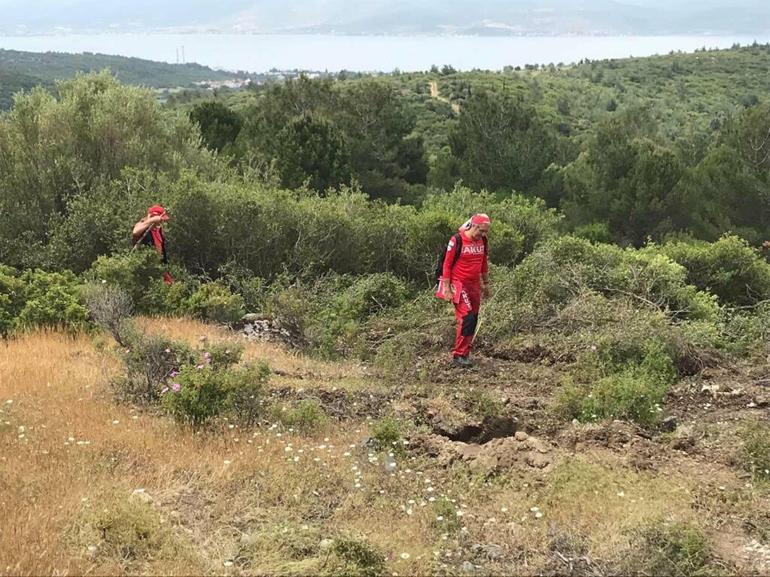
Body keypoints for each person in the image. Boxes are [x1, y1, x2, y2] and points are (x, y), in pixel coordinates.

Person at [439, 213, 491, 368]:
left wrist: (486, 284)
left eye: (485, 232)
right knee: (467, 316)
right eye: (481, 231)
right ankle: (458, 355)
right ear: (474, 226)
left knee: (473, 318)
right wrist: (447, 289)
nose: (483, 234)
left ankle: (465, 353)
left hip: (474, 285)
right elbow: (447, 265)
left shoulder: (482, 241)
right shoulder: (457, 240)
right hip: (458, 284)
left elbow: (483, 262)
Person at [132, 204, 173, 284]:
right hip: (146, 269)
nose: (162, 221)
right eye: (161, 219)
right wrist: (152, 220)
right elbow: (135, 232)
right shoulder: (142, 226)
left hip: (159, 267)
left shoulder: (159, 229)